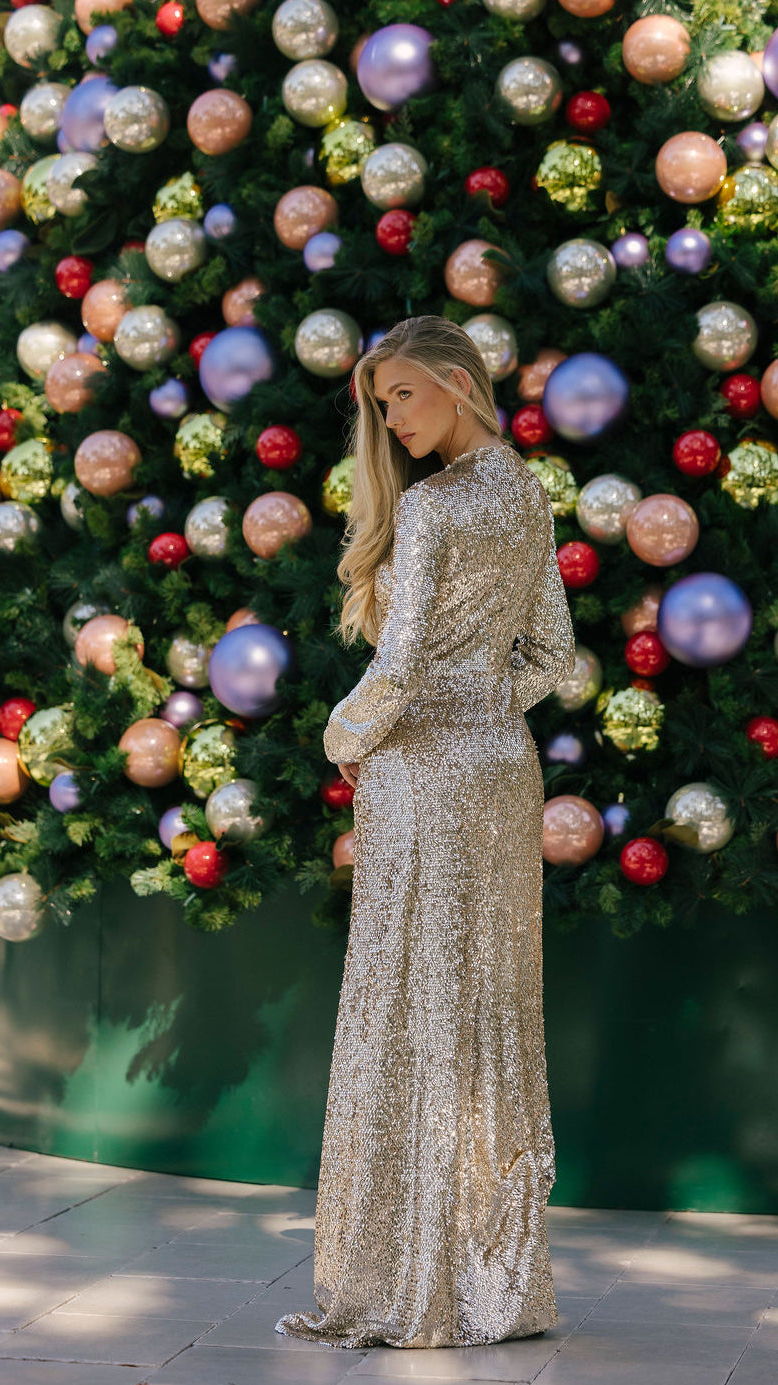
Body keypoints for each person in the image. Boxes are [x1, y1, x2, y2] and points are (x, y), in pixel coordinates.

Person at [274, 315, 576, 1350]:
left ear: (455, 382)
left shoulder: (442, 506)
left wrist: (342, 731)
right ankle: (494, 1287)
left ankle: (410, 1284)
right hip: (501, 768)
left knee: (409, 1004)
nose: (387, 416)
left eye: (401, 393)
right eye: (379, 400)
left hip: (420, 770)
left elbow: (396, 665)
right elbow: (554, 651)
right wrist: (487, 706)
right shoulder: (529, 492)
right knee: (487, 1003)